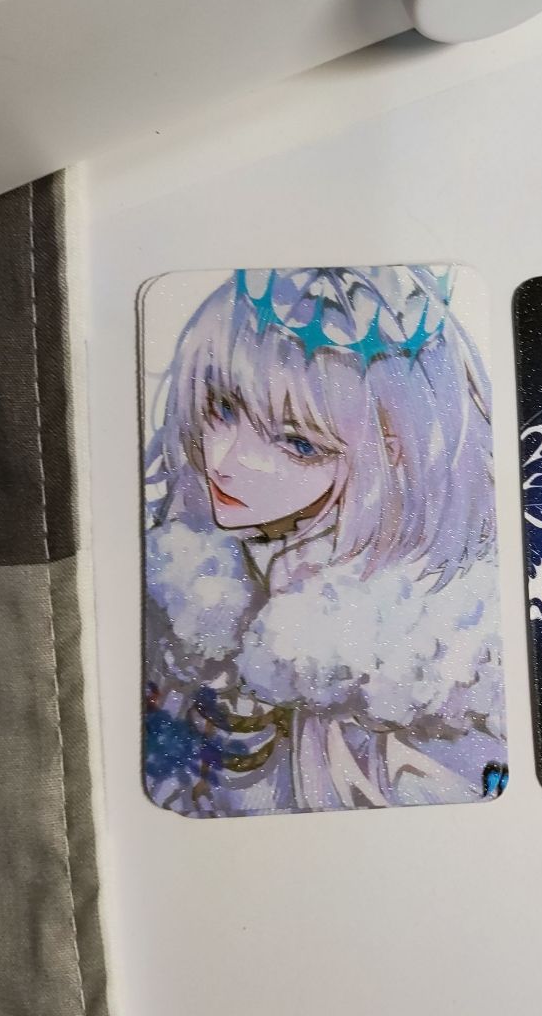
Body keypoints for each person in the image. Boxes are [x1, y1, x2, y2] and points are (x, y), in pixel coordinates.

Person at [142, 266, 506, 816]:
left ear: (392, 454)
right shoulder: (194, 576)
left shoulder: (423, 668)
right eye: (222, 409)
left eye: (297, 443)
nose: (226, 459)